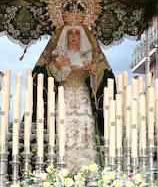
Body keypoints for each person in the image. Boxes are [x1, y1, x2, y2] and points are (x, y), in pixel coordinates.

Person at [34, 23, 113, 173]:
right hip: (66, 96)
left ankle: (86, 170)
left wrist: (94, 71)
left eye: (77, 33)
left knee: (85, 127)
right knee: (65, 129)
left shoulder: (88, 56)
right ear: (66, 36)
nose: (74, 36)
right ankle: (64, 169)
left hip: (82, 97)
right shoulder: (59, 55)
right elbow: (53, 77)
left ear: (81, 36)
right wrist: (56, 66)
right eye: (71, 33)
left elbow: (99, 80)